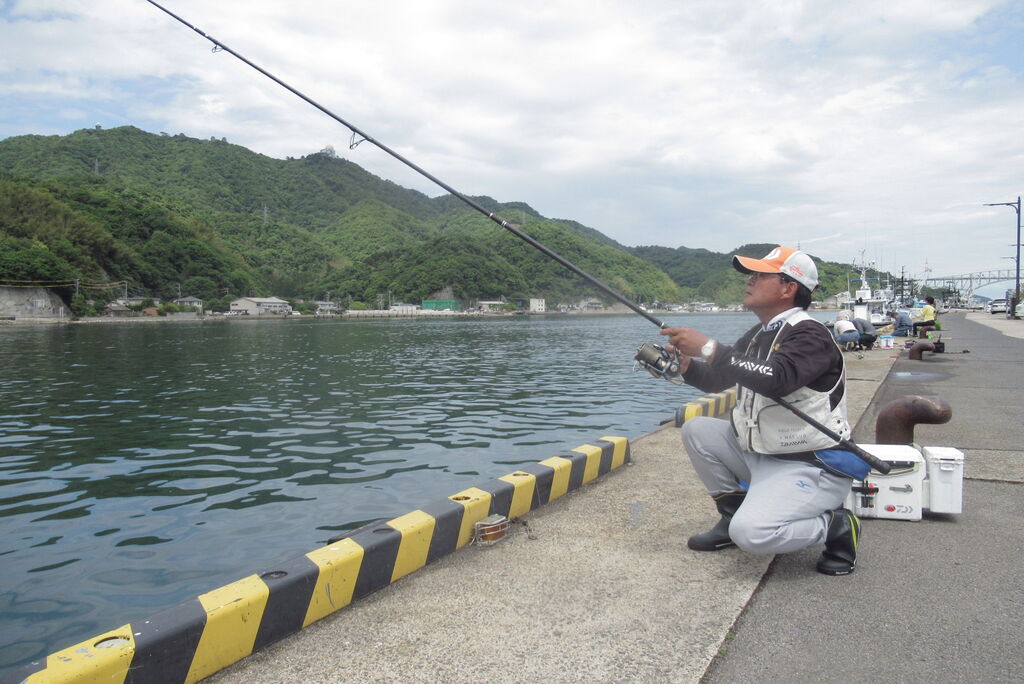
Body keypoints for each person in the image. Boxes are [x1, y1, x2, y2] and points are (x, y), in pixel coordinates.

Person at [660, 246, 866, 576]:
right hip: (762, 453)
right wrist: (687, 367)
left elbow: (779, 379)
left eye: (760, 275)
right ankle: (731, 516)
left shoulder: (811, 333)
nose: (750, 281)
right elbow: (719, 378)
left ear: (788, 287)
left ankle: (835, 525)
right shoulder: (759, 334)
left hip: (808, 464)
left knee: (752, 534)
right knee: (697, 430)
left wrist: (710, 347)